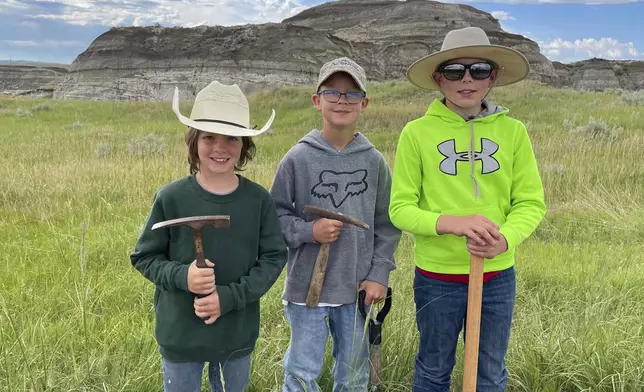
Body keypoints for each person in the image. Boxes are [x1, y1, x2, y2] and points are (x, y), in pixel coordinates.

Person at [388, 27, 547, 391]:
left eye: (478, 69)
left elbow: (530, 202)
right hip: (437, 277)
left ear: (493, 76)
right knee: (433, 369)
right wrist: (453, 223)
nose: (467, 80)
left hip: (496, 277)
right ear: (437, 78)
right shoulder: (416, 133)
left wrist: (504, 240)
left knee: (490, 372)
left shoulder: (514, 132)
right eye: (455, 71)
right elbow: (400, 209)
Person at [130, 81, 288, 392]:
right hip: (181, 334)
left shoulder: (257, 200)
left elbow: (274, 257)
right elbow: (144, 257)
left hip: (235, 333)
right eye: (208, 137)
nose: (220, 147)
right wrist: (182, 276)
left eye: (232, 138)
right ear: (194, 142)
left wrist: (229, 298)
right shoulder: (171, 198)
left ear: (244, 144)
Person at [270, 57, 401, 391]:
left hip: (356, 290)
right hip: (305, 290)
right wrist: (309, 232)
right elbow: (275, 217)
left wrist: (378, 275)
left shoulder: (373, 162)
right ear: (317, 101)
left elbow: (387, 223)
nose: (342, 101)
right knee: (301, 371)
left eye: (352, 94)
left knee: (354, 373)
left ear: (364, 103)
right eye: (332, 92)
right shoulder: (297, 159)